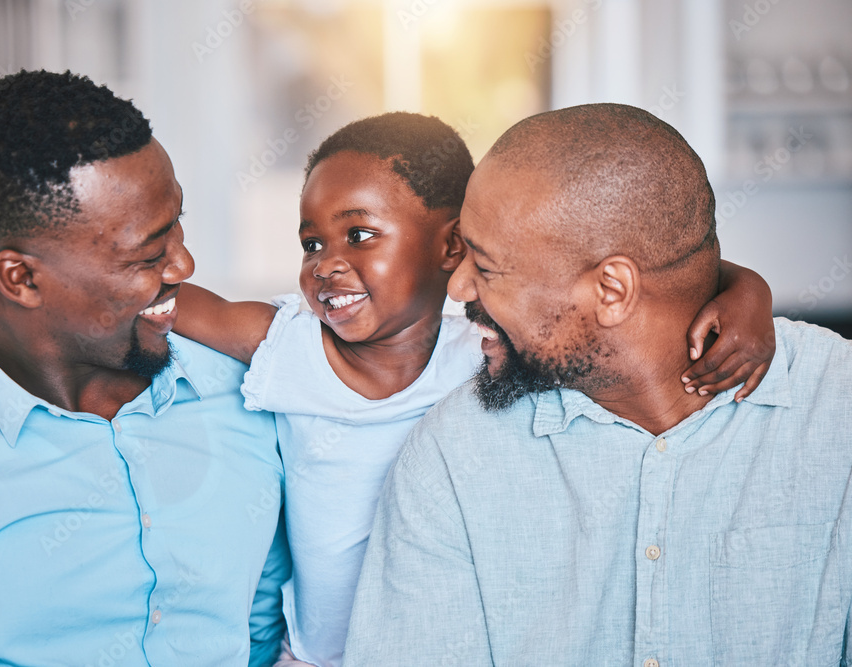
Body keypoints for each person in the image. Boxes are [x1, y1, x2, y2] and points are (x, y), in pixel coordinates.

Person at [0, 112, 775, 667]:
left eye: (359, 234)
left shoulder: (489, 346)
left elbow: (605, 284)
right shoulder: (280, 347)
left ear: (453, 249)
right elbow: (147, 294)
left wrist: (744, 287)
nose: (328, 265)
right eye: (312, 242)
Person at [343, 103, 852, 666]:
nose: (459, 288)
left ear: (612, 291)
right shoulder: (454, 457)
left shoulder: (835, 412)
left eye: (486, 268)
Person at [0, 70, 289, 665]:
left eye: (177, 225)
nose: (185, 264)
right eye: (148, 254)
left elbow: (259, 636)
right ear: (21, 278)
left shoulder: (256, 387)